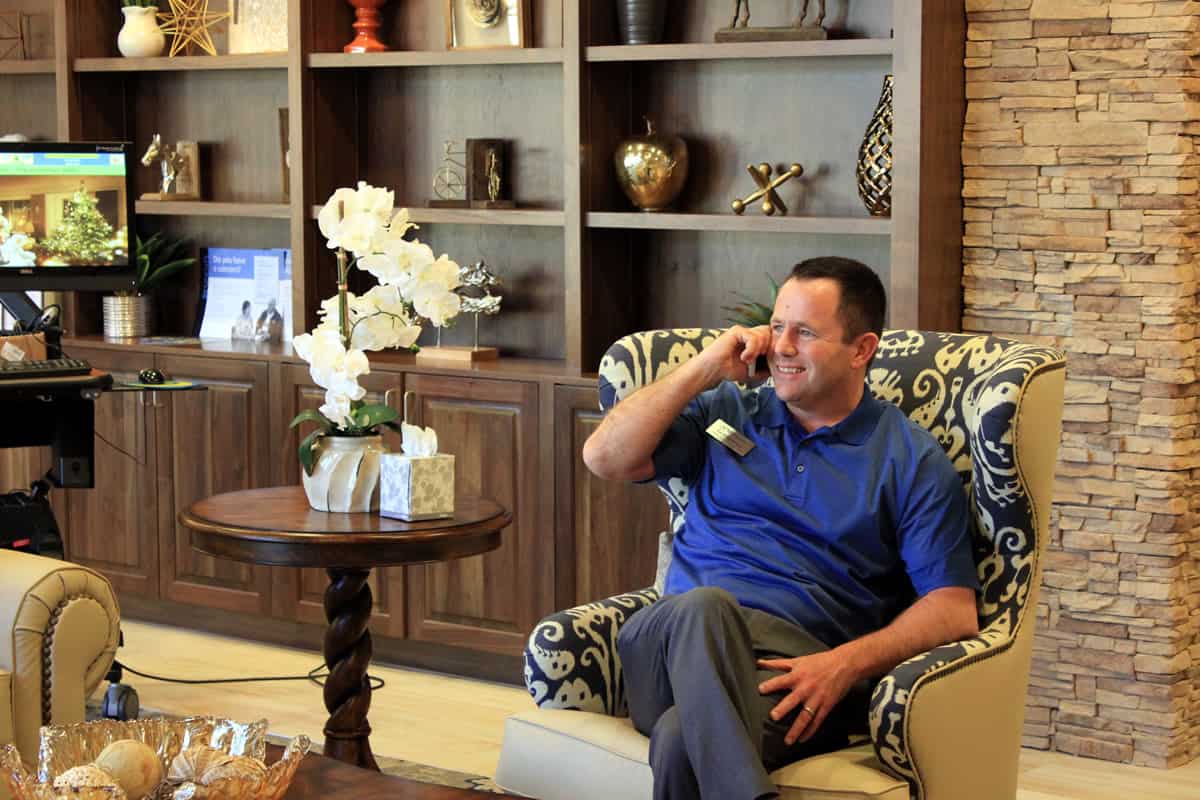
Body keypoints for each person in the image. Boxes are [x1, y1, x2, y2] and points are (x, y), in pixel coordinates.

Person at [581, 257, 980, 800]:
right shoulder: (727, 410)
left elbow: (953, 608)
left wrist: (842, 664)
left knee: (679, 741)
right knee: (704, 606)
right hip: (668, 648)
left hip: (794, 677)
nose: (783, 346)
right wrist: (705, 369)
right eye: (777, 327)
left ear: (861, 350)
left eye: (806, 333)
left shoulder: (908, 461)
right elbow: (605, 456)